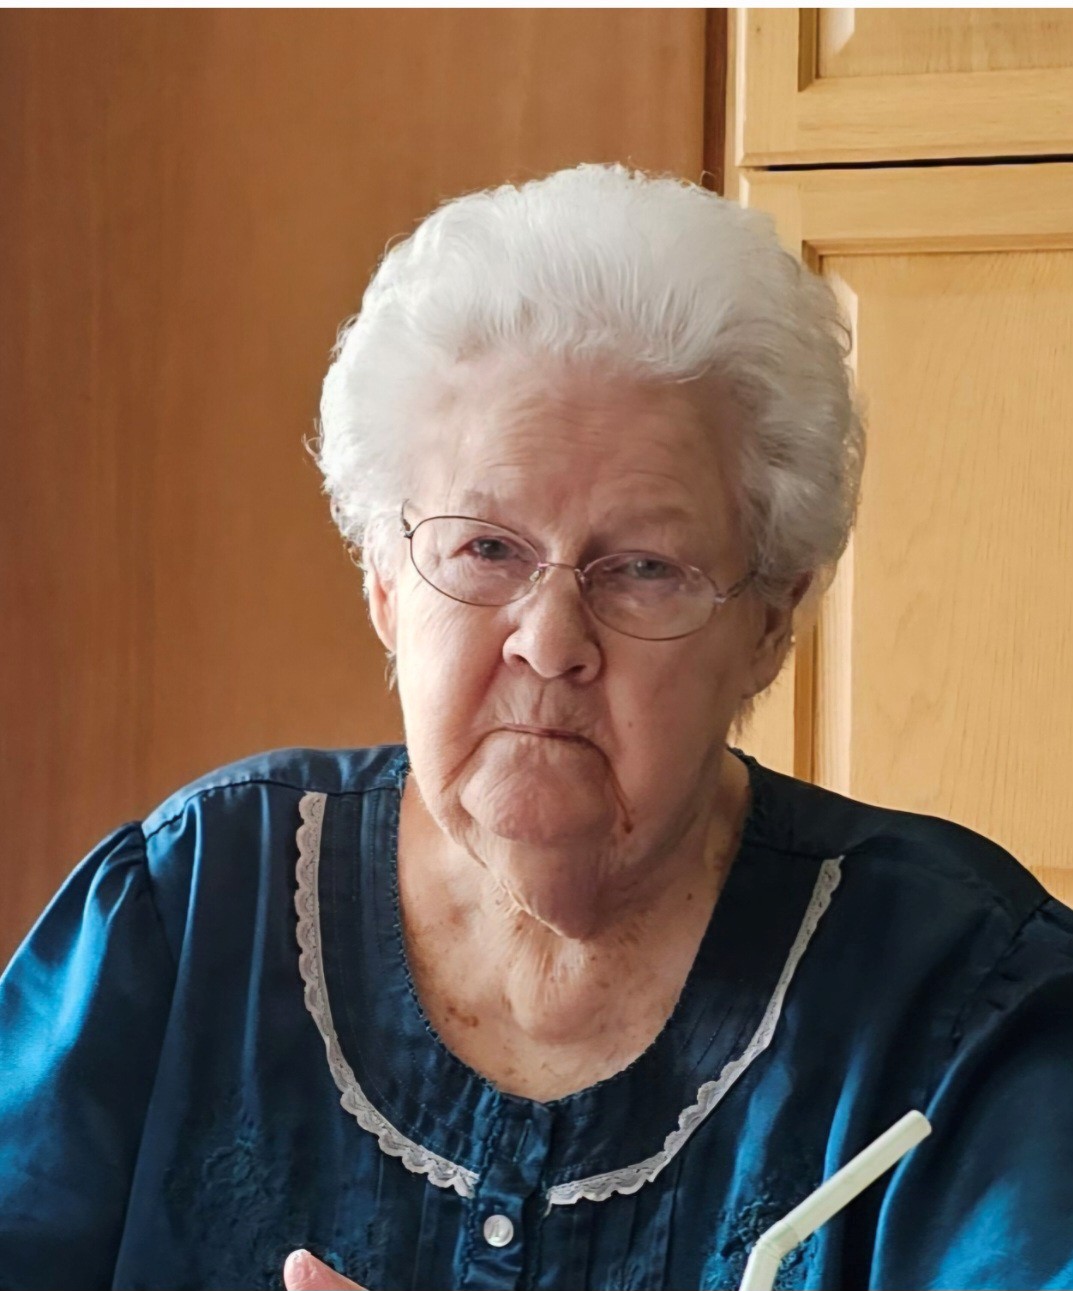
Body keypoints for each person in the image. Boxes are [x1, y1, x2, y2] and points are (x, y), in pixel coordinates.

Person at [2, 163, 1071, 1291]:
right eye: (485, 548)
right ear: (384, 583)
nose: (550, 640)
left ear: (769, 622)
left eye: (642, 567)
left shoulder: (959, 1001)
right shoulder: (189, 906)